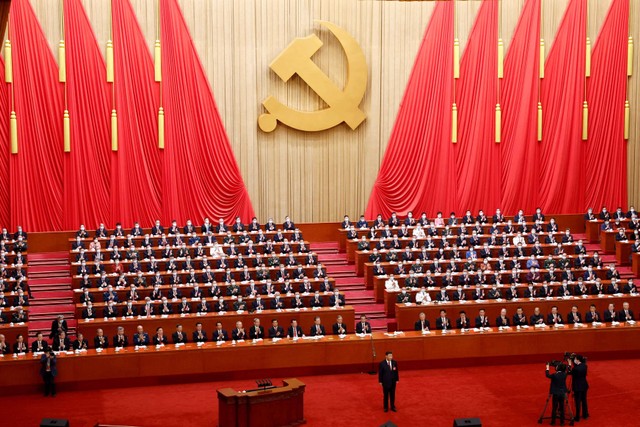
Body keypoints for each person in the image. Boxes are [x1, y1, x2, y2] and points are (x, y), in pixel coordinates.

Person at [569, 355, 589, 421]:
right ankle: (585, 415)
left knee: (577, 402)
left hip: (577, 387)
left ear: (577, 360)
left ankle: (577, 417)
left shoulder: (575, 369)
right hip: (584, 385)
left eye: (575, 359)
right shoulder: (585, 366)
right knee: (584, 401)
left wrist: (569, 364)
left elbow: (570, 372)